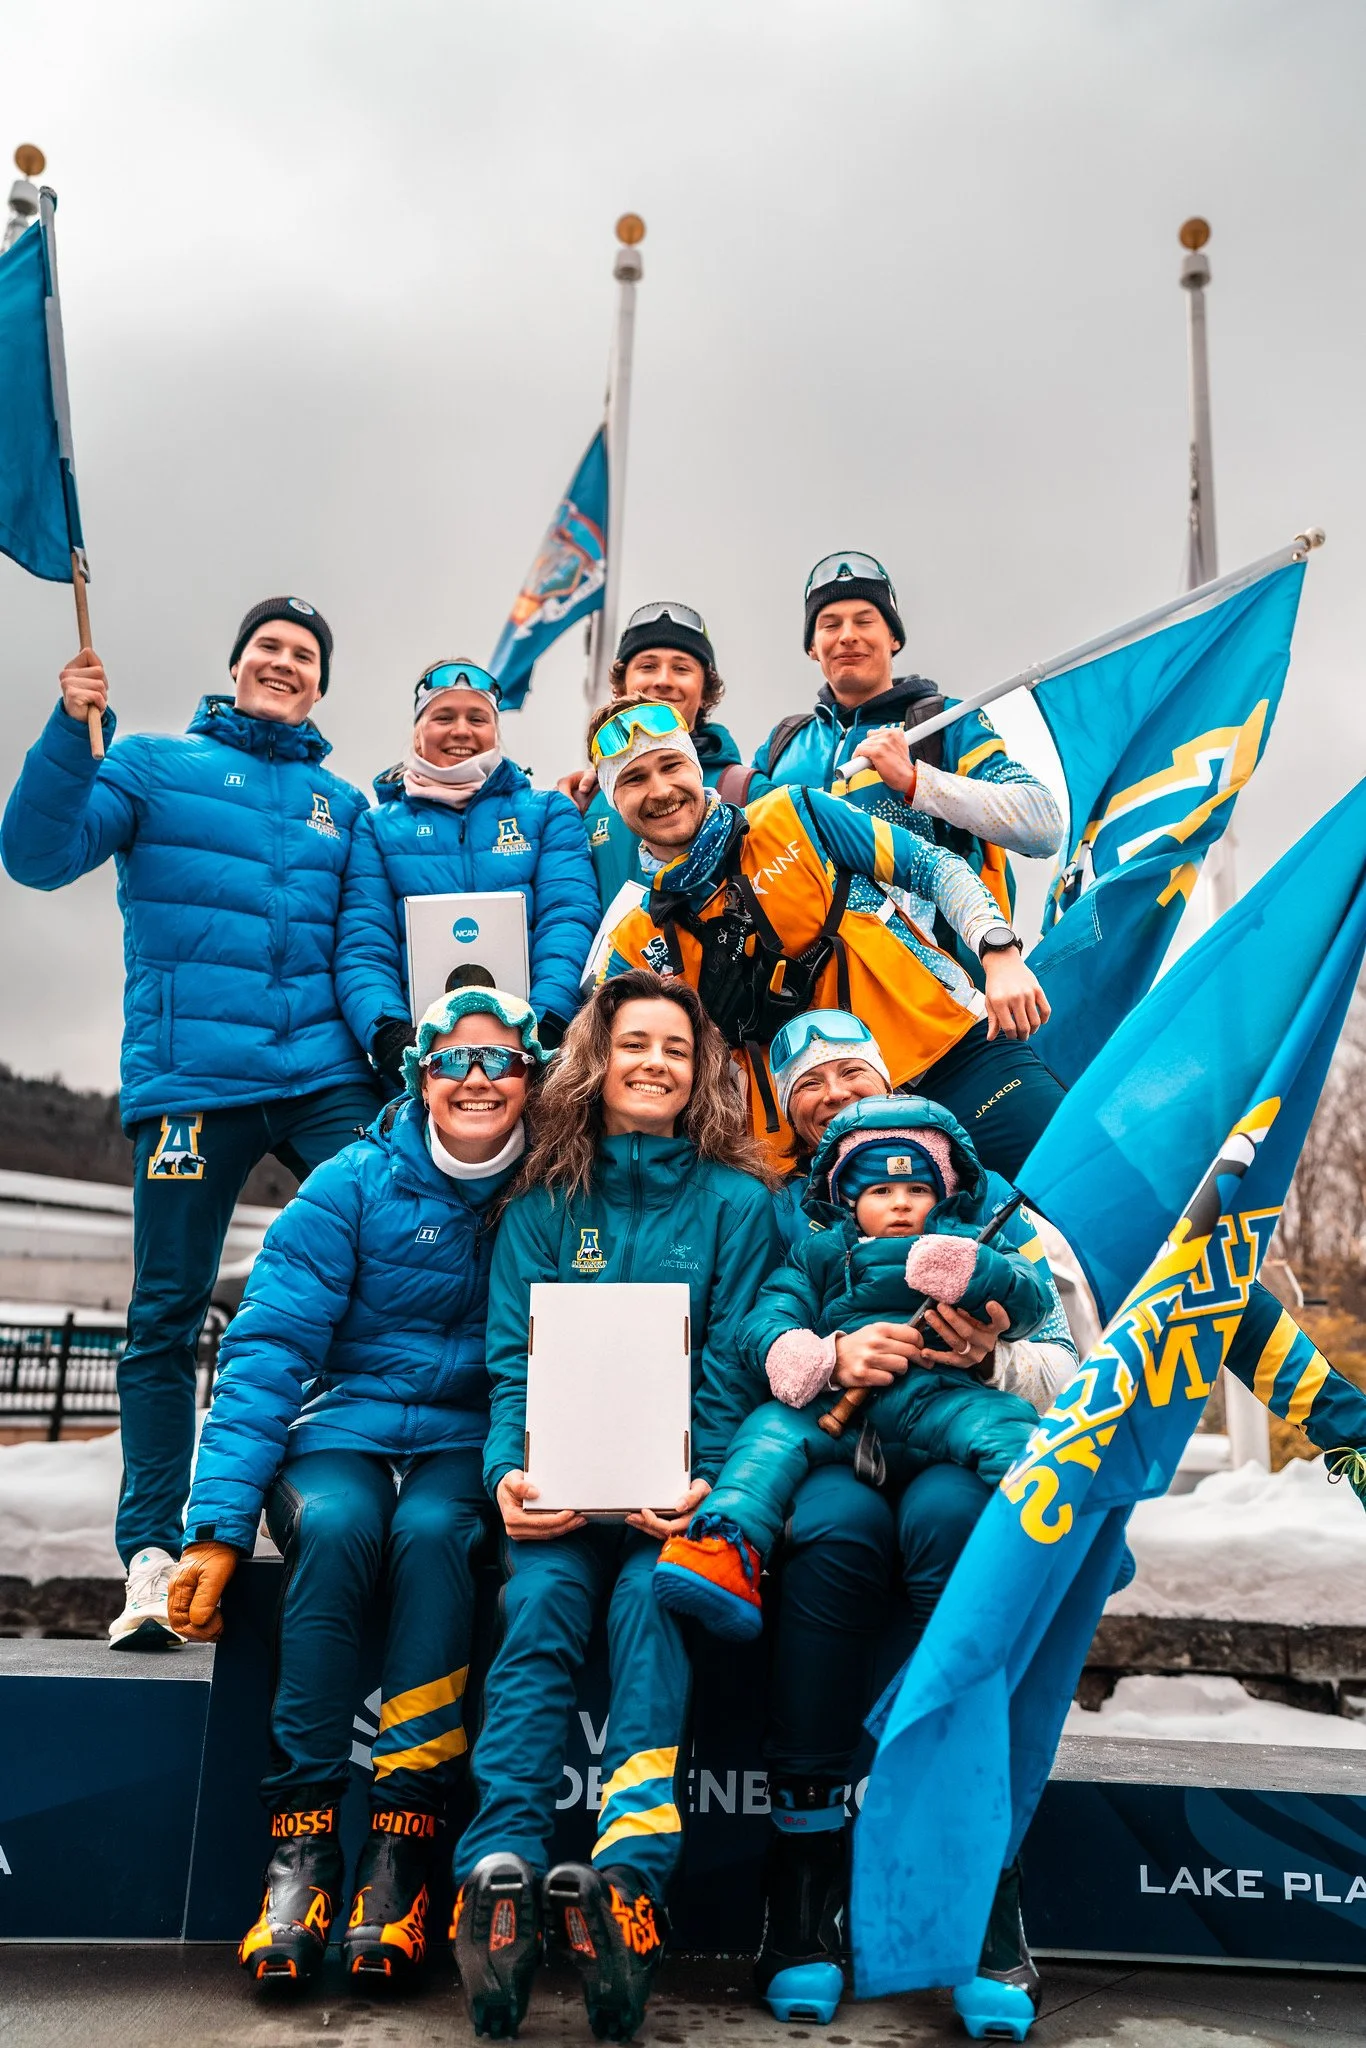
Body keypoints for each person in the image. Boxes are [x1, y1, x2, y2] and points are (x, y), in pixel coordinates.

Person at [0, 598, 379, 1650]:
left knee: (395, 1241)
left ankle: (352, 1488)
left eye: (305, 654)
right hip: (194, 1080)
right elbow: (35, 857)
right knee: (164, 1311)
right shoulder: (153, 764)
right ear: (237, 662)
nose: (284, 663)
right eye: (270, 646)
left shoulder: (339, 803)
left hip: (319, 1073)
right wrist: (69, 739)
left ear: (320, 684)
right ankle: (151, 1552)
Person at [167, 987, 548, 1988]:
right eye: (453, 1060)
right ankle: (301, 1848)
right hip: (345, 1429)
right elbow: (268, 1348)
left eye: (500, 1060)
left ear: (530, 1075)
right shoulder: (352, 1181)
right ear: (421, 1072)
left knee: (430, 1536)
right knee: (336, 1527)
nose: (476, 1078)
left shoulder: (555, 1188)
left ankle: (399, 1845)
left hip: (467, 1442)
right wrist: (214, 1525)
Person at [450, 972, 783, 2043]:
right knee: (536, 1613)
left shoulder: (738, 1203)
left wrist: (708, 1482)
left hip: (667, 1507)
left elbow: (736, 1365)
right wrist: (509, 1472)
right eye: (634, 1041)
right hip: (559, 1503)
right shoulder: (542, 1201)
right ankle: (496, 1878)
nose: (654, 1061)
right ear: (598, 1057)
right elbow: (512, 1367)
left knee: (652, 1619)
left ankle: (627, 1883)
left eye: (676, 1049)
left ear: (701, 1074)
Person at [591, 696, 1062, 1177]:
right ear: (614, 799)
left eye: (671, 765)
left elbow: (933, 867)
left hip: (951, 1057)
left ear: (695, 767)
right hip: (817, 1134)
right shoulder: (635, 936)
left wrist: (998, 950)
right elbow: (595, 1063)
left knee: (1075, 1189)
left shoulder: (794, 814)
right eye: (634, 779)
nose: (661, 789)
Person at [654, 1097, 1050, 1641]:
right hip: (836, 1406)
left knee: (1005, 1427)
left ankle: (1064, 1526)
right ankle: (723, 1549)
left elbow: (1030, 1302)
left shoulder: (972, 1244)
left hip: (939, 1395)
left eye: (918, 1189)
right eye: (880, 1191)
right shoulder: (818, 1254)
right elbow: (768, 1318)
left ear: (945, 1194)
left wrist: (977, 1273)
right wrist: (811, 1354)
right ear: (847, 1198)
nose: (901, 1205)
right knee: (766, 1437)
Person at [750, 551, 1064, 985]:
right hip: (813, 1009)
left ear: (894, 638)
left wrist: (919, 782)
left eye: (864, 621)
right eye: (830, 624)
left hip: (939, 993)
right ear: (811, 646)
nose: (847, 636)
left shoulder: (944, 723)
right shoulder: (782, 743)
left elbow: (1043, 825)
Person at [337, 659, 598, 1083]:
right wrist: (390, 1037)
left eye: (477, 718)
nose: (461, 730)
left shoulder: (548, 811)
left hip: (531, 1053)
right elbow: (364, 945)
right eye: (443, 716)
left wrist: (545, 1026)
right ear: (418, 731)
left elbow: (569, 920)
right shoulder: (376, 827)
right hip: (420, 1056)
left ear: (496, 731)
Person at [557, 603, 748, 914]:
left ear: (705, 690)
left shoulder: (745, 788)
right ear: (620, 687)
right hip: (615, 960)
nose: (663, 680)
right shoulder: (586, 799)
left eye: (681, 668)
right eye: (647, 666)